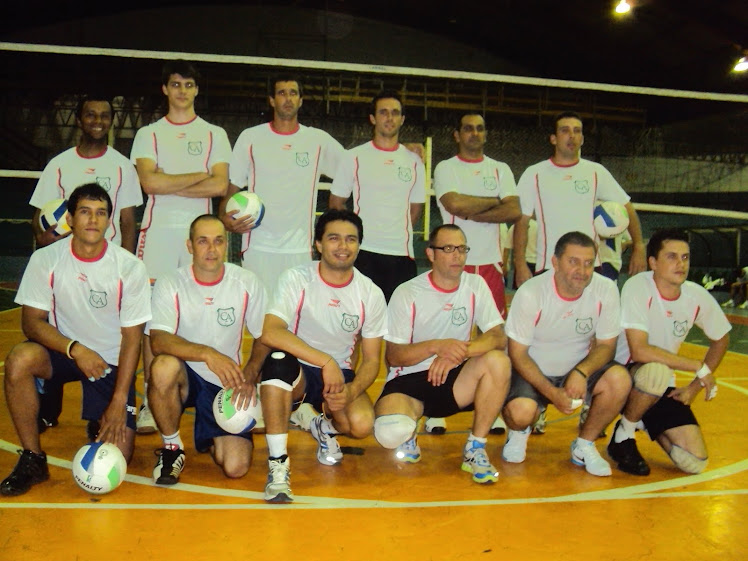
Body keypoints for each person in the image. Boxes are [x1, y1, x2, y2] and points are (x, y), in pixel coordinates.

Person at [1, 183, 150, 496]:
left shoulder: (129, 268)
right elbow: (31, 323)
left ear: (109, 220)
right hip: (64, 353)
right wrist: (75, 349)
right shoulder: (47, 259)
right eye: (85, 212)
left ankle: (98, 417)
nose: (93, 220)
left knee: (119, 455)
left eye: (100, 213)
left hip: (109, 362)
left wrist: (119, 401)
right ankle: (32, 459)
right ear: (70, 217)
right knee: (19, 359)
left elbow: (133, 340)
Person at [29, 94, 143, 431]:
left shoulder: (123, 166)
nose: (97, 121)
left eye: (105, 116)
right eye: (90, 115)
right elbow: (38, 220)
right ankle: (48, 406)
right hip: (65, 267)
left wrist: (130, 265)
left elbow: (127, 223)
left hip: (106, 272)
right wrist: (44, 238)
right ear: (79, 120)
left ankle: (103, 405)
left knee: (109, 338)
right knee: (54, 333)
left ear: (111, 121)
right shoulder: (59, 165)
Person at [258, 209, 387, 503]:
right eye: (334, 238)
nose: (343, 246)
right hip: (298, 370)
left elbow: (370, 360)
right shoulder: (296, 278)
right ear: (318, 244)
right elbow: (270, 332)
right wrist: (324, 360)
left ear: (359, 245)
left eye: (351, 240)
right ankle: (278, 465)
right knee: (277, 364)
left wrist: (351, 390)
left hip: (338, 376)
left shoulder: (370, 293)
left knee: (361, 425)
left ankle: (319, 425)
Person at [131, 60, 231, 434]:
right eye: (176, 84)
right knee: (150, 322)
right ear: (165, 89)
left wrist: (167, 180)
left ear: (196, 90)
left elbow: (220, 186)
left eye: (189, 84)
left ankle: (205, 389)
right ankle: (147, 397)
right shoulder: (149, 133)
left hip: (201, 237)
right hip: (157, 235)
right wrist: (200, 175)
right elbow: (148, 184)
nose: (182, 91)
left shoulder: (214, 134)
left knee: (201, 312)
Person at [374, 224, 511, 484]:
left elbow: (497, 336)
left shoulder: (475, 284)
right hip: (410, 379)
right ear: (431, 254)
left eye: (462, 249)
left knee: (498, 362)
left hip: (454, 377)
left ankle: (475, 448)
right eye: (448, 249)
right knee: (390, 433)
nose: (457, 255)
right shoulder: (408, 292)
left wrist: (456, 353)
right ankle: (410, 427)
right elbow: (394, 356)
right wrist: (437, 346)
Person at [146, 215, 269, 484]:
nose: (211, 249)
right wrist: (208, 354)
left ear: (227, 245)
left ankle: (211, 437)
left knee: (235, 467)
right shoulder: (171, 282)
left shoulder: (247, 282)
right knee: (163, 366)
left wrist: (249, 374)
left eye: (218, 241)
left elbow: (264, 337)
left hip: (225, 384)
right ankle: (171, 448)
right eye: (203, 241)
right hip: (184, 377)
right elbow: (158, 340)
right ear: (190, 246)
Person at [502, 231, 631, 476]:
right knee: (520, 413)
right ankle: (519, 433)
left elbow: (606, 346)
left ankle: (584, 444)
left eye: (588, 263)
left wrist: (581, 372)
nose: (581, 271)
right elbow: (517, 354)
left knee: (620, 380)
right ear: (555, 263)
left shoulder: (605, 290)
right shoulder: (532, 293)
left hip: (577, 369)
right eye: (573, 261)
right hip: (532, 369)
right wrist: (552, 393)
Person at [425, 114, 519, 436]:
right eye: (468, 128)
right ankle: (435, 408)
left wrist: (472, 208)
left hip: (489, 264)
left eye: (480, 127)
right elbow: (453, 203)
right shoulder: (445, 168)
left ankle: (490, 408)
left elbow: (514, 210)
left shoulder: (501, 169)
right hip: (452, 261)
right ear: (456, 134)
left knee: (494, 340)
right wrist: (496, 203)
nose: (474, 133)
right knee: (445, 334)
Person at [608, 229, 731, 476]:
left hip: (659, 384)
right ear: (653, 262)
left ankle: (640, 417)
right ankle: (624, 436)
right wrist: (698, 366)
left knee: (694, 462)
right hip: (620, 377)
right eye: (672, 257)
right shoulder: (638, 287)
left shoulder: (696, 295)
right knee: (656, 372)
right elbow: (639, 350)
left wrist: (694, 387)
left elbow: (722, 338)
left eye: (685, 258)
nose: (681, 264)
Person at [220, 76, 345, 292]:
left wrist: (403, 149)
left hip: (300, 250)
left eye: (293, 93)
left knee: (296, 321)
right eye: (281, 93)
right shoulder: (251, 138)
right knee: (258, 320)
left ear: (301, 100)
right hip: (258, 247)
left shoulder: (317, 140)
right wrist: (225, 219)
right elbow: (231, 190)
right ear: (271, 100)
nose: (288, 98)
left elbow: (356, 167)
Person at [513, 111, 646, 287]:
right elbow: (521, 222)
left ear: (582, 139)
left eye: (577, 131)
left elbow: (626, 207)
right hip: (550, 265)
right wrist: (520, 264)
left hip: (589, 266)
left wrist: (638, 246)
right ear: (553, 138)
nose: (572, 136)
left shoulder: (595, 172)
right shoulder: (535, 173)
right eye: (565, 131)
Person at [329, 90, 426, 302]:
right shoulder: (353, 157)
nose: (389, 118)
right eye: (383, 112)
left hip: (401, 255)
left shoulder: (414, 160)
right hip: (363, 254)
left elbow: (415, 209)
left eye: (395, 113)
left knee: (398, 330)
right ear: (372, 118)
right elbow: (336, 204)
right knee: (359, 325)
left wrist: (393, 233)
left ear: (402, 119)